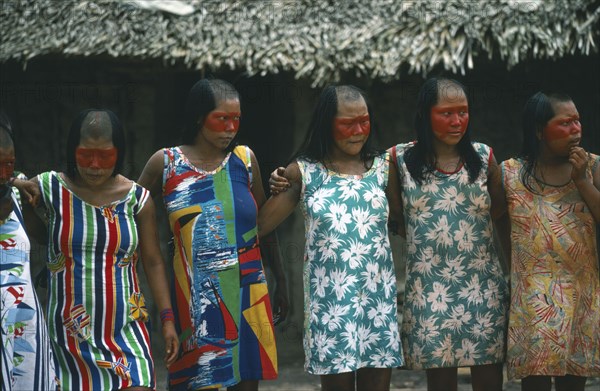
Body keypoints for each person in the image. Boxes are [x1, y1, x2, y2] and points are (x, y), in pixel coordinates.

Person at [137, 79, 288, 391]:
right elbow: (127, 210)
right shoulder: (166, 164)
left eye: (236, 120)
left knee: (246, 383)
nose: (230, 128)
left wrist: (281, 280)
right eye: (221, 119)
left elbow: (261, 226)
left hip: (249, 292)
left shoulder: (245, 161)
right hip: (195, 302)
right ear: (198, 117)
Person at [14, 109, 178, 390]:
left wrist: (167, 320)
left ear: (119, 153)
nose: (94, 165)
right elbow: (32, 225)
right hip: (68, 341)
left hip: (127, 333)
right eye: (85, 155)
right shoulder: (51, 188)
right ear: (72, 151)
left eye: (105, 156)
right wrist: (17, 183)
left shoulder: (137, 198)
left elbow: (153, 262)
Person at [258, 85, 404, 391]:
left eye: (364, 121)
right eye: (347, 123)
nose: (358, 130)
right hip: (331, 308)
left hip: (377, 303)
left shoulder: (382, 168)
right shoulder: (305, 171)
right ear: (327, 123)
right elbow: (261, 225)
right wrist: (272, 184)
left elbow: (403, 222)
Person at [392, 78, 508, 391]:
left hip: (482, 287)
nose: (457, 121)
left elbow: (498, 212)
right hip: (429, 290)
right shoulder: (399, 160)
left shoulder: (484, 158)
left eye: (463, 112)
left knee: (488, 380)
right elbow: (393, 217)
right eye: (446, 113)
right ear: (425, 115)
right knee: (440, 383)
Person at [500, 92, 600, 391]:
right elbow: (499, 223)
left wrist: (582, 180)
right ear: (538, 130)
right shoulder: (510, 173)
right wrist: (518, 271)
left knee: (574, 380)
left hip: (581, 291)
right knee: (536, 379)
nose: (576, 129)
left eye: (577, 121)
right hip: (534, 296)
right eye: (565, 123)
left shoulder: (593, 167)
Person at [0, 113, 56, 390]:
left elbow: (51, 238)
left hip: (24, 330)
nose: (3, 174)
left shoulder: (19, 192)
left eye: (8, 164)